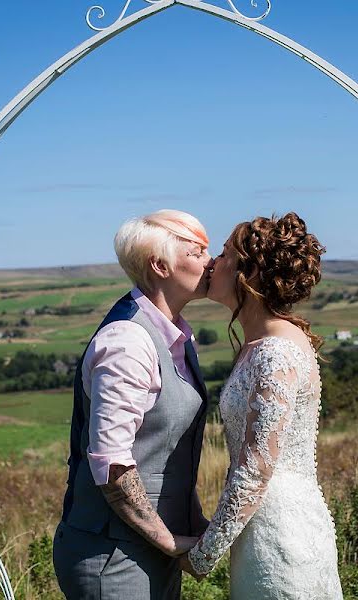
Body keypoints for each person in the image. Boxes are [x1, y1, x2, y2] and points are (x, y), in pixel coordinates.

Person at [182, 212, 343, 598]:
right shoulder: (262, 343)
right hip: (260, 529)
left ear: (249, 273)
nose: (212, 263)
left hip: (281, 535)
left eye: (222, 255)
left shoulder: (276, 353)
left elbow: (255, 470)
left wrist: (203, 554)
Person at [53, 209, 212, 600]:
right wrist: (172, 543)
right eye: (198, 253)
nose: (211, 263)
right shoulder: (128, 342)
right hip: (113, 556)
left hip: (150, 545)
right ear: (160, 265)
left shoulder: (174, 335)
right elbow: (111, 463)